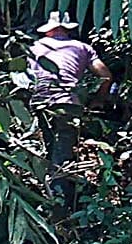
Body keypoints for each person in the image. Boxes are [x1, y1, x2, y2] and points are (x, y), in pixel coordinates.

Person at [22, 13, 107, 166]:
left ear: (48, 30)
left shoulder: (33, 48)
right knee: (64, 147)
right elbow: (105, 75)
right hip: (68, 102)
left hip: (41, 101)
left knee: (49, 146)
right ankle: (59, 180)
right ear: (67, 30)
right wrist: (99, 99)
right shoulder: (83, 48)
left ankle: (51, 178)